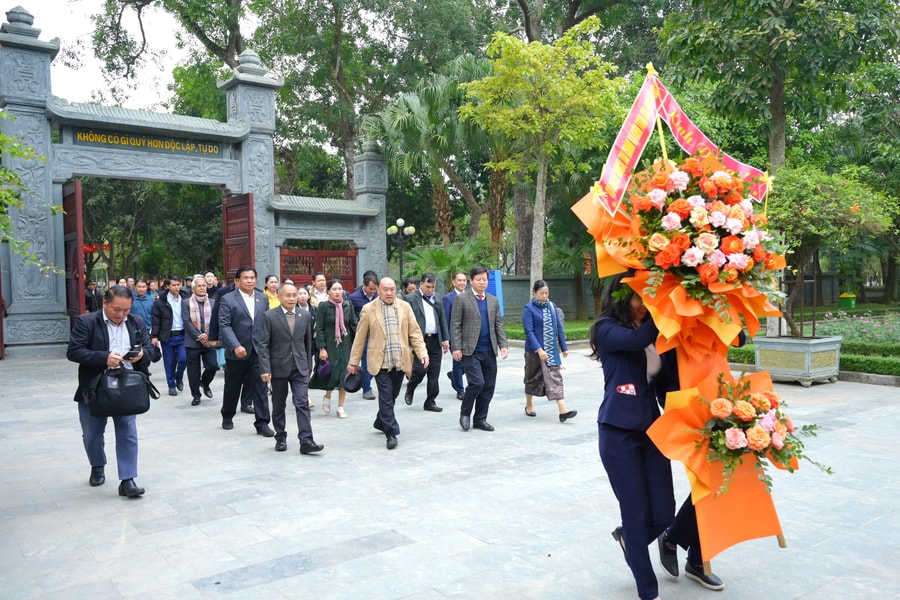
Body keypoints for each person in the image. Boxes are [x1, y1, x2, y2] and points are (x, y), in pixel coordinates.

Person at [589, 272, 724, 600]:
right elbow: (634, 342)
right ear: (622, 298)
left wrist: (711, 409)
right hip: (617, 432)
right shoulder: (606, 329)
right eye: (639, 298)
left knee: (663, 512)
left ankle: (629, 539)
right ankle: (648, 591)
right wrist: (668, 305)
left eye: (649, 299)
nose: (644, 306)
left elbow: (668, 384)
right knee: (635, 512)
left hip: (651, 430)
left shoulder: (656, 338)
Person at [66, 285, 160, 497]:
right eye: (116, 309)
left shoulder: (136, 322)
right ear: (105, 304)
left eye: (126, 310)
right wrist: (104, 357)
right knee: (92, 433)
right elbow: (74, 351)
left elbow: (153, 352)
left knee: (128, 432)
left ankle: (128, 479)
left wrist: (142, 354)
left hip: (127, 386)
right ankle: (97, 464)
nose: (121, 314)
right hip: (95, 386)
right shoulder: (87, 322)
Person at [348, 277, 428, 450]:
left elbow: (415, 333)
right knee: (385, 397)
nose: (390, 292)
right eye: (385, 289)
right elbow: (360, 338)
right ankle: (391, 433)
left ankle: (380, 421)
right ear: (378, 290)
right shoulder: (369, 309)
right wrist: (354, 362)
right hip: (380, 362)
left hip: (400, 361)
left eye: (392, 289)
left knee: (392, 396)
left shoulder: (405, 307)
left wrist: (422, 352)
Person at [256, 283, 324, 455]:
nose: (292, 298)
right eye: (288, 295)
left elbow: (308, 343)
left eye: (294, 295)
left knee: (302, 402)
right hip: (278, 368)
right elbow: (263, 344)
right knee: (278, 404)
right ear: (279, 297)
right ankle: (280, 436)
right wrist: (265, 368)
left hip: (300, 367)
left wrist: (309, 366)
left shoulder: (305, 315)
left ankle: (306, 440)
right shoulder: (269, 316)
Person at [449, 265, 509, 432]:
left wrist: (503, 345)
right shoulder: (461, 299)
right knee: (477, 383)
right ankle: (465, 412)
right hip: (470, 350)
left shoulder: (493, 300)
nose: (482, 282)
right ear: (471, 281)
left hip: (489, 350)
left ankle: (480, 419)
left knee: (489, 386)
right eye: (479, 279)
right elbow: (455, 325)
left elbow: (498, 324)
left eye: (485, 279)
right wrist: (456, 347)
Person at [218, 266, 274, 436]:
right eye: (245, 278)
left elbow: (266, 324)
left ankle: (262, 423)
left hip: (258, 352)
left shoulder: (262, 299)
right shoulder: (228, 299)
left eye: (252, 277)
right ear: (237, 281)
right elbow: (224, 325)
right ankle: (227, 415)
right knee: (232, 387)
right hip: (237, 352)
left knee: (260, 387)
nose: (249, 281)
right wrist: (235, 345)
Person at [522, 280, 576, 422]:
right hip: (534, 351)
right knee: (532, 378)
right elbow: (529, 332)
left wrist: (563, 348)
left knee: (555, 377)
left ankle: (563, 410)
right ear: (534, 293)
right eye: (541, 293)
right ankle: (529, 404)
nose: (544, 296)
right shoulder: (529, 309)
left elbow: (559, 328)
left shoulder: (552, 307)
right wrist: (538, 349)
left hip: (551, 350)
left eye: (546, 293)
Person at [309, 279, 356, 418]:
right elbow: (320, 328)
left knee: (345, 374)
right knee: (331, 371)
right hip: (330, 344)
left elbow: (354, 323)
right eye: (334, 289)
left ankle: (340, 406)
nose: (337, 292)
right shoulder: (324, 306)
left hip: (345, 343)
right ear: (328, 291)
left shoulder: (348, 305)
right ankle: (328, 395)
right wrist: (322, 348)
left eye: (340, 289)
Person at [403, 272, 449, 412]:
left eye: (433, 287)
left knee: (434, 373)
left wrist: (445, 339)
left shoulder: (438, 298)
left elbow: (442, 319)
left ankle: (430, 401)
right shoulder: (410, 299)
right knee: (420, 370)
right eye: (428, 286)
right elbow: (406, 322)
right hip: (419, 341)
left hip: (435, 339)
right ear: (421, 284)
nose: (431, 290)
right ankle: (411, 388)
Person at [183, 276, 219, 406]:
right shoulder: (186, 302)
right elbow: (187, 322)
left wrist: (207, 335)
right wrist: (200, 336)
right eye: (199, 286)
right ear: (193, 288)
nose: (202, 288)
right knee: (193, 371)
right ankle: (196, 395)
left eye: (204, 285)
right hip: (192, 342)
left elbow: (215, 322)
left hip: (209, 341)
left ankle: (204, 383)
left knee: (213, 365)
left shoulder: (213, 302)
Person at [151, 276, 188, 396]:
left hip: (183, 334)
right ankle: (171, 385)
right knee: (169, 361)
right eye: (174, 285)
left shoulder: (185, 298)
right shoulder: (160, 302)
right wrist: (154, 336)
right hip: (168, 335)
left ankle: (179, 376)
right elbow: (156, 320)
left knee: (183, 358)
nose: (177, 287)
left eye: (178, 284)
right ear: (167, 286)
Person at [348, 271, 379, 400]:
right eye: (371, 289)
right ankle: (367, 389)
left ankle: (364, 379)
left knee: (377, 361)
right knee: (366, 362)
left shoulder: (379, 297)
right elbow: (351, 316)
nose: (373, 291)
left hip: (378, 334)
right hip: (364, 335)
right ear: (364, 286)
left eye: (375, 289)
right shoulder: (353, 298)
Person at [442, 270, 468, 400]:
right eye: (459, 280)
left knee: (468, 363)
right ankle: (460, 390)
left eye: (464, 280)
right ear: (453, 282)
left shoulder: (470, 296)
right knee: (458, 363)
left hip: (468, 337)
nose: (462, 283)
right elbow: (446, 319)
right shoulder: (448, 298)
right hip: (455, 336)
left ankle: (454, 375)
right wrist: (446, 339)